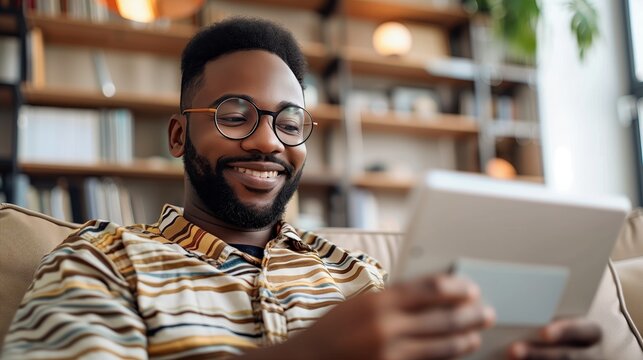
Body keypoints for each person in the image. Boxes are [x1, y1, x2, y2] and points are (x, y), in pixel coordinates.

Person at [3, 17, 603, 359]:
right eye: (236, 115)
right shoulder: (101, 262)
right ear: (180, 134)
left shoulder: (363, 278)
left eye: (289, 122)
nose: (268, 143)